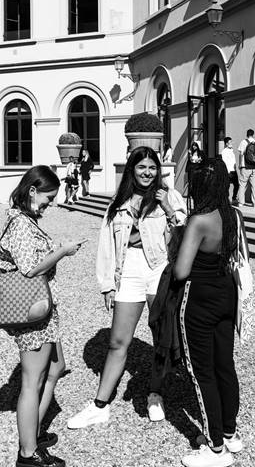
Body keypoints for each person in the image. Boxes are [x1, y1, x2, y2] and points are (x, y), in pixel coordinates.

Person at [67, 146, 186, 429]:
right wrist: (107, 284)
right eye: (142, 167)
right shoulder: (117, 202)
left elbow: (184, 231)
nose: (147, 172)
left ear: (159, 170)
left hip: (159, 270)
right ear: (132, 169)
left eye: (152, 167)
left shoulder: (170, 196)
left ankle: (155, 393)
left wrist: (168, 208)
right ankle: (99, 404)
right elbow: (107, 246)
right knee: (118, 340)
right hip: (129, 271)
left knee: (161, 339)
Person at [0, 165, 85, 467]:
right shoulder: (20, 223)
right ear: (32, 190)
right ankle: (28, 452)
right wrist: (62, 251)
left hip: (43, 309)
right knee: (32, 382)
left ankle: (33, 432)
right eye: (48, 197)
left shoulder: (26, 220)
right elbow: (31, 269)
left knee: (56, 368)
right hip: (31, 312)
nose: (50, 203)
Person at [173, 158, 243, 467]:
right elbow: (242, 254)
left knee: (203, 373)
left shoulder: (199, 220)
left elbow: (181, 270)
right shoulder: (234, 215)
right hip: (227, 293)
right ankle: (230, 431)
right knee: (225, 365)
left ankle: (215, 448)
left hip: (199, 299)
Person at [237, 129, 255, 207]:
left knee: (242, 184)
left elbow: (241, 154)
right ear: (253, 134)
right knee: (254, 185)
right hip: (254, 167)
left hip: (245, 166)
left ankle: (241, 202)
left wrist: (240, 165)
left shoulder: (243, 142)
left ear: (247, 134)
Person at [221, 137, 238, 204]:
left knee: (236, 185)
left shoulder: (232, 150)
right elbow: (224, 162)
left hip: (234, 170)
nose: (231, 143)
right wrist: (227, 171)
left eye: (231, 142)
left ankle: (234, 198)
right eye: (229, 142)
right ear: (226, 144)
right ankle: (226, 199)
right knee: (226, 186)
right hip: (228, 171)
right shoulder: (224, 152)